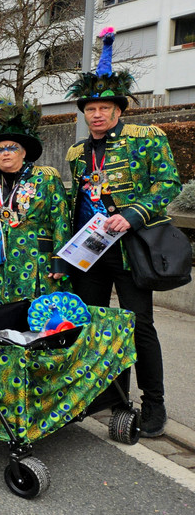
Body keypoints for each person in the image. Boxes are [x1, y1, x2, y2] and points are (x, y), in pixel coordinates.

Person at [65, 28, 181, 438]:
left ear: (119, 109)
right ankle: (109, 395)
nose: (96, 114)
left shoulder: (146, 139)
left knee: (138, 325)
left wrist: (132, 214)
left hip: (131, 248)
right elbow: (76, 201)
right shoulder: (77, 153)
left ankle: (154, 403)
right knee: (94, 323)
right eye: (90, 108)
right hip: (90, 251)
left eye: (104, 107)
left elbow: (169, 185)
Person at [0, 99, 70, 306]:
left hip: (35, 264)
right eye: (0, 150)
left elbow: (61, 222)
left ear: (24, 152)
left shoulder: (46, 178)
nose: (6, 153)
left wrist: (60, 260)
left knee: (33, 323)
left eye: (12, 148)